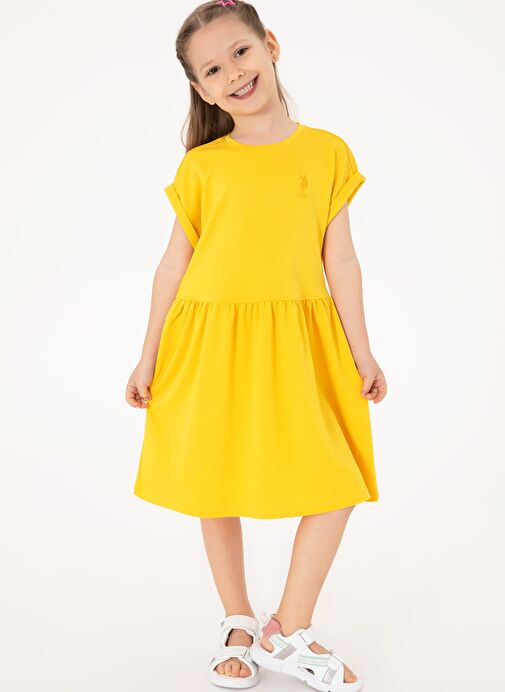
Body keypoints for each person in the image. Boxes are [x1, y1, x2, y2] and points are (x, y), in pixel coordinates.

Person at [126, 1, 387, 689]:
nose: (234, 73)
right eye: (212, 69)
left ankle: (286, 628)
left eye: (240, 52)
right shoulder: (202, 167)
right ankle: (237, 620)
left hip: (299, 341)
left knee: (337, 477)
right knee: (215, 481)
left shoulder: (327, 152)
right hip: (208, 339)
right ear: (201, 89)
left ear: (270, 45)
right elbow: (173, 265)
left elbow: (341, 261)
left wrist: (362, 351)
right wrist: (147, 355)